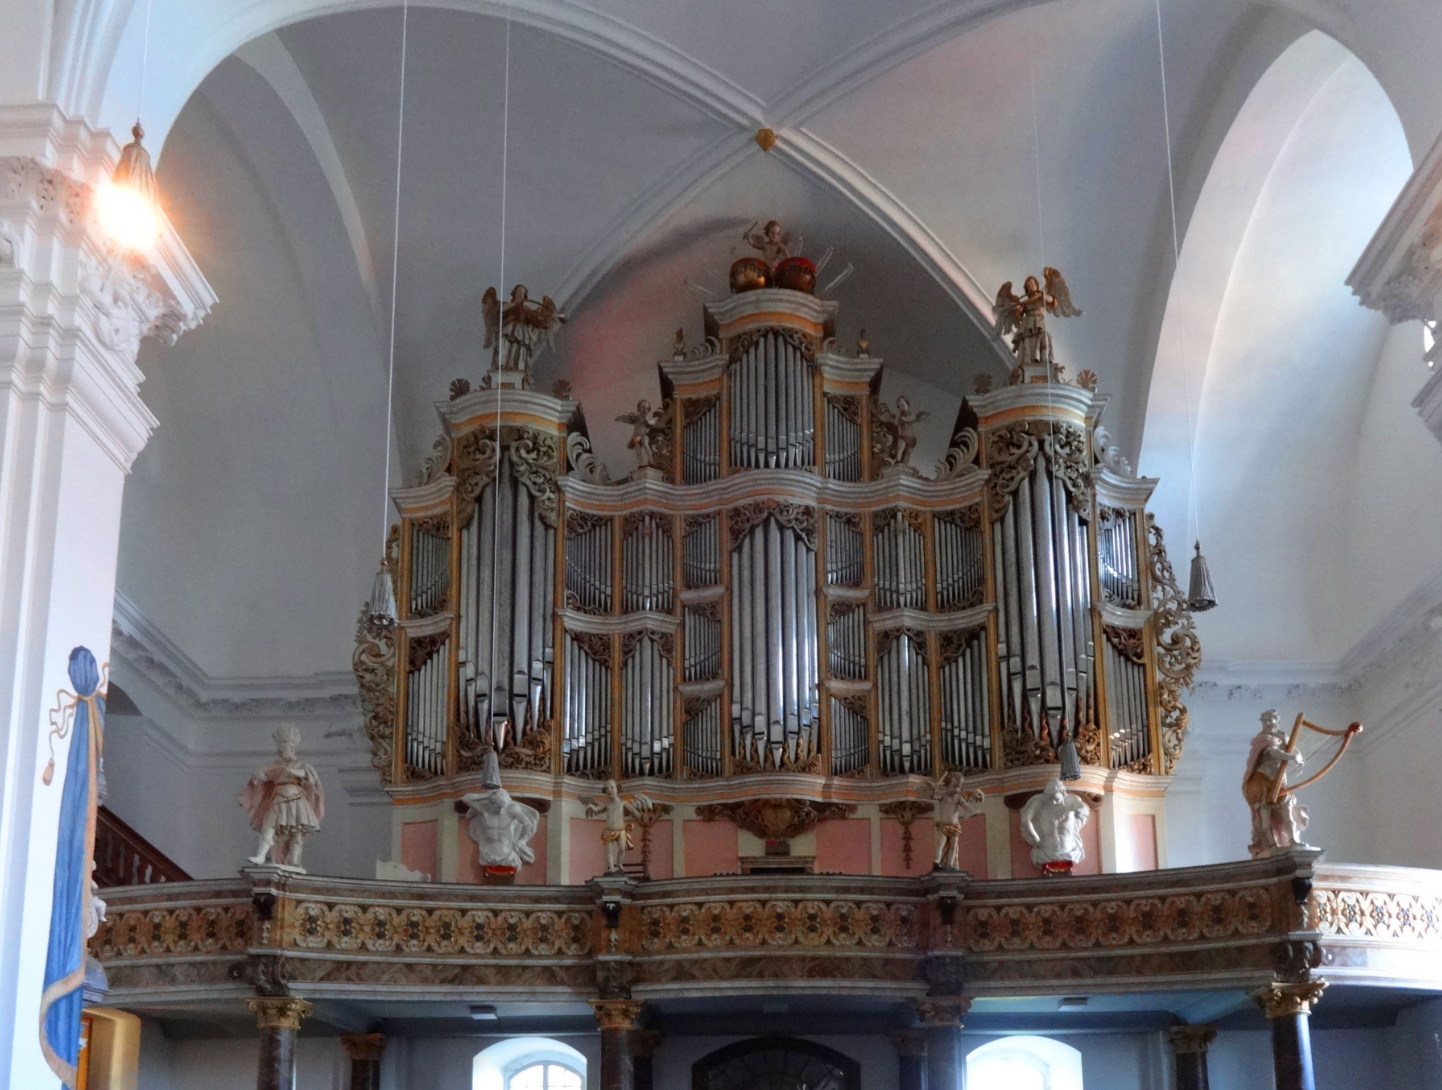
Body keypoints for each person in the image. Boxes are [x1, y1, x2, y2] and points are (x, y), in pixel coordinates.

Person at [239, 724, 325, 870]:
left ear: (291, 748)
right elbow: (260, 774)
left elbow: (309, 776)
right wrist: (259, 773)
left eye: (284, 746)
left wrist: (292, 771)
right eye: (280, 746)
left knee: (297, 831)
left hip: (297, 800)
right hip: (278, 799)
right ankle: (261, 855)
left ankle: (294, 860)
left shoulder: (301, 764)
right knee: (269, 826)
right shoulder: (275, 765)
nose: (281, 750)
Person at [1242, 710, 1309, 856]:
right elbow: (1273, 752)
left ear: (1277, 721)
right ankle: (1270, 844)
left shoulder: (1283, 736)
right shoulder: (1262, 739)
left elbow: (1293, 749)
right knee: (1264, 814)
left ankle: (1292, 840)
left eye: (1270, 720)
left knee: (1287, 809)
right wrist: (1291, 757)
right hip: (1262, 780)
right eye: (1264, 721)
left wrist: (1298, 758)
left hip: (1279, 779)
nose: (1266, 723)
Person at [1019, 777, 1088, 869]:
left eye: (1056, 798)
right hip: (1046, 852)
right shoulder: (1041, 803)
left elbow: (1083, 808)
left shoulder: (1071, 801)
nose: (1053, 802)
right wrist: (1036, 838)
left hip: (1071, 851)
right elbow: (1025, 819)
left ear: (1062, 793)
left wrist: (1080, 812)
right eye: (1051, 798)